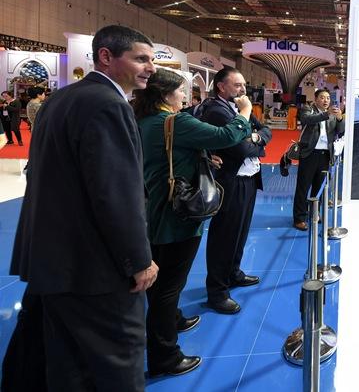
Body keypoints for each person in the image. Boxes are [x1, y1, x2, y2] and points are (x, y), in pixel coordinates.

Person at [9, 25, 159, 391]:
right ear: (106, 57)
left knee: (67, 364)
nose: (151, 68)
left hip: (53, 261)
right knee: (118, 362)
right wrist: (138, 260)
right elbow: (115, 193)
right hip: (93, 269)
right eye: (141, 59)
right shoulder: (108, 105)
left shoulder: (62, 98)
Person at [133, 68, 253, 377]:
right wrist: (245, 113)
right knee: (169, 285)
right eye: (181, 92)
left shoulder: (143, 122)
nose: (185, 97)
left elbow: (166, 157)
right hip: (178, 214)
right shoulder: (176, 122)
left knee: (161, 278)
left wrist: (200, 156)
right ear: (166, 95)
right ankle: (164, 355)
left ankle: (172, 321)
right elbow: (227, 136)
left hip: (153, 208)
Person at [199, 66, 272, 314]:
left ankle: (233, 273)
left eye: (243, 84)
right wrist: (255, 141)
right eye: (237, 85)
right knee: (224, 236)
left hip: (248, 179)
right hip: (230, 181)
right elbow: (239, 149)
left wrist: (255, 138)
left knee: (240, 232)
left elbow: (266, 130)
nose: (243, 89)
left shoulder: (240, 108)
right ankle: (217, 291)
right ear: (221, 87)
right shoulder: (216, 110)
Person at [292, 88, 344, 231]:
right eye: (322, 97)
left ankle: (315, 213)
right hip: (309, 154)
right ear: (316, 99)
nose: (325, 100)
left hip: (325, 155)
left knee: (319, 187)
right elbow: (307, 119)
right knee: (303, 187)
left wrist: (340, 118)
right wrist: (326, 114)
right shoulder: (308, 109)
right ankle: (299, 218)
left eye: (327, 98)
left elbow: (340, 130)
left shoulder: (333, 114)